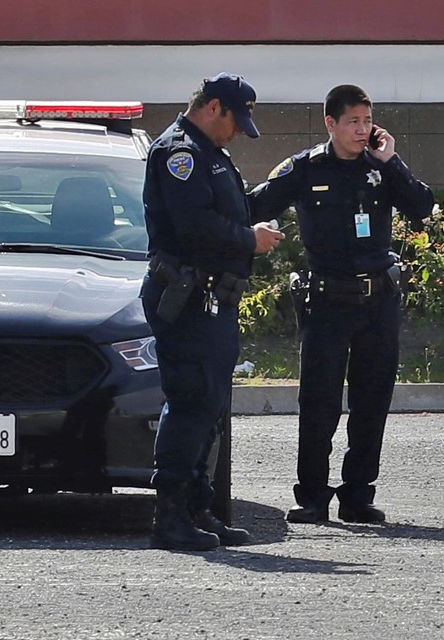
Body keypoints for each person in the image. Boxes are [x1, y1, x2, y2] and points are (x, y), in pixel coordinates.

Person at [249, 84, 434, 526]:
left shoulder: (382, 166)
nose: (362, 130)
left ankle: (357, 495)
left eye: (367, 121)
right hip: (328, 300)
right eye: (353, 121)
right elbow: (256, 203)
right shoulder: (305, 167)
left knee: (372, 402)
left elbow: (422, 206)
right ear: (330, 123)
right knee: (319, 403)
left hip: (377, 303)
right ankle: (312, 495)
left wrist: (392, 161)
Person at [143, 73, 284, 552]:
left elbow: (226, 211)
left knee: (210, 408)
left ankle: (200, 508)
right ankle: (171, 516)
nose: (239, 131)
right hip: (187, 299)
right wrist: (250, 239)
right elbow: (194, 225)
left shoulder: (210, 152)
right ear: (213, 107)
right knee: (190, 402)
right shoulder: (180, 153)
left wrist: (256, 221)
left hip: (212, 299)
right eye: (236, 120)